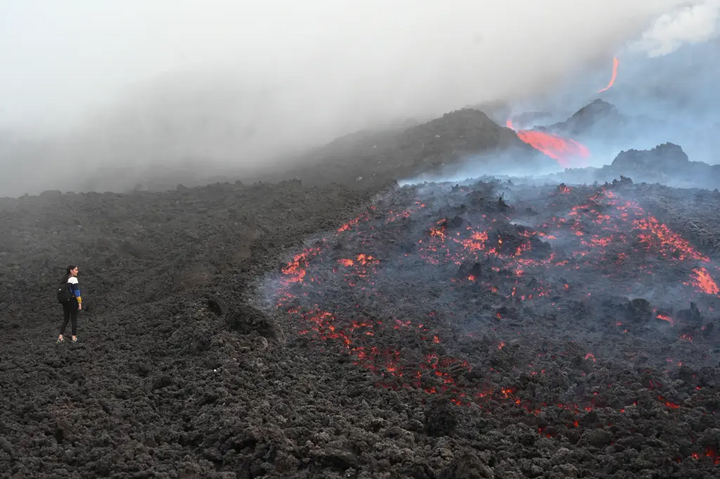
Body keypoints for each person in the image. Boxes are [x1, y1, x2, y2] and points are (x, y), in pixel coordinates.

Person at [57, 265, 82, 343]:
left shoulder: (64, 279)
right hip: (72, 300)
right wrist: (80, 302)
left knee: (66, 320)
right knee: (74, 319)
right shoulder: (73, 279)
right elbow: (77, 291)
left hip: (65, 301)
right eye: (76, 270)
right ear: (71, 271)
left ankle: (60, 337)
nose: (77, 271)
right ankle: (74, 338)